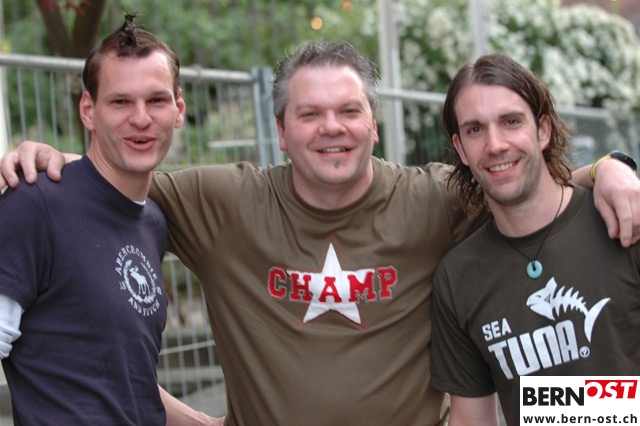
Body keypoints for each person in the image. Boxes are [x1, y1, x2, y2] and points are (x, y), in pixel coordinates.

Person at [1, 41, 640, 426]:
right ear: (281, 132)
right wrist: (46, 165)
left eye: (348, 110)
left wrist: (611, 169)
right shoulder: (219, 202)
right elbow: (113, 185)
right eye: (309, 113)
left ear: (374, 124)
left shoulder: (433, 197)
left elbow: (516, 179)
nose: (331, 127)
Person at [0, 13, 221, 426]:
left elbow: (124, 378)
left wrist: (206, 424)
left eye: (156, 101)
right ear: (88, 110)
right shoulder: (35, 204)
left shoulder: (152, 220)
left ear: (178, 109)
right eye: (120, 102)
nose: (141, 118)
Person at [430, 52, 640, 426]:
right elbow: (471, 420)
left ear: (543, 130)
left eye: (511, 121)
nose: (495, 144)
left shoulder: (624, 220)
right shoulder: (457, 277)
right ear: (460, 149)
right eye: (475, 130)